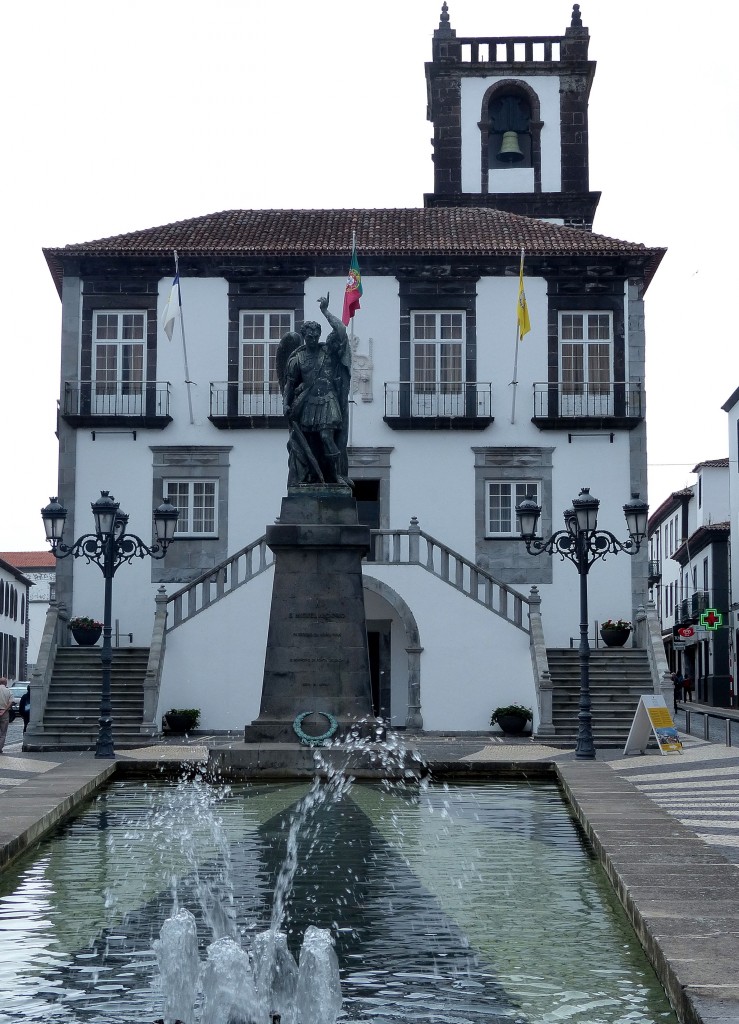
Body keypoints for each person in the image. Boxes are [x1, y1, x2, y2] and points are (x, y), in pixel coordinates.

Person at [281, 296, 351, 487]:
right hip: (308, 403)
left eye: (315, 337)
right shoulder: (298, 359)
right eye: (309, 337)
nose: (312, 340)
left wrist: (325, 311)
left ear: (319, 336)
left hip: (328, 400)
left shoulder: (327, 351)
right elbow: (290, 384)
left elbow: (341, 330)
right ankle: (312, 476)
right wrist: (286, 404)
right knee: (311, 444)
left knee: (327, 437)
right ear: (304, 337)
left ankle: (336, 475)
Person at [0, 677, 12, 753]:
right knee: (3, 732)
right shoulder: (8, 691)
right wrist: (4, 710)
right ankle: (0, 748)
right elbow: (11, 702)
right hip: (4, 712)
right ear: (6, 683)